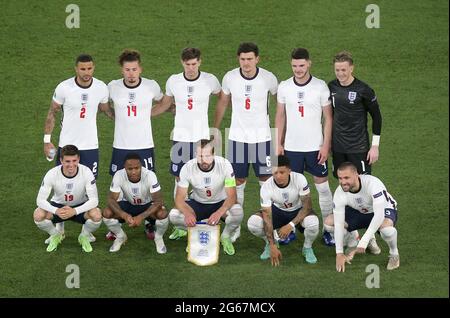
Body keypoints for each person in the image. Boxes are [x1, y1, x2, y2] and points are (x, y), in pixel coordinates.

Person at [151, 47, 221, 240]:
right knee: (179, 178)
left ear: (200, 62)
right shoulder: (174, 81)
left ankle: (208, 214)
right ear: (182, 63)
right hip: (180, 137)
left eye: (194, 64)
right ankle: (181, 222)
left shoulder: (210, 80)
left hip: (202, 139)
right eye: (187, 64)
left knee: (205, 175)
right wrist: (144, 114)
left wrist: (215, 125)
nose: (191, 68)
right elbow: (165, 104)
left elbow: (223, 97)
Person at [43, 53, 112, 240]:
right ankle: (59, 228)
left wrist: (132, 118)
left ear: (94, 68)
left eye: (89, 68)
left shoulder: (100, 87)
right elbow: (52, 111)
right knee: (60, 185)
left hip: (90, 145)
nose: (86, 72)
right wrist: (47, 140)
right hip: (67, 145)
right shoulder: (64, 87)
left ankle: (85, 231)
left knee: (89, 184)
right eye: (82, 69)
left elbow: (107, 111)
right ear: (76, 69)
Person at [214, 42, 278, 241]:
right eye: (242, 59)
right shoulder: (230, 77)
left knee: (267, 183)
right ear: (238, 59)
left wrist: (279, 132)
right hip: (237, 139)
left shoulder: (269, 78)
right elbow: (223, 102)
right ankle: (236, 226)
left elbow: (280, 104)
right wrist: (215, 129)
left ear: (257, 59)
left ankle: (270, 227)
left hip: (264, 139)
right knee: (237, 183)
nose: (246, 63)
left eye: (250, 59)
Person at [275, 48, 334, 247]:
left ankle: (329, 230)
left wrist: (325, 145)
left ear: (309, 63)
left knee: (323, 188)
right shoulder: (284, 86)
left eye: (301, 65)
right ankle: (289, 228)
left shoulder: (320, 86)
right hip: (292, 148)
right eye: (294, 66)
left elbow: (328, 118)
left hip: (315, 147)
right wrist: (278, 143)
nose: (298, 69)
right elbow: (280, 116)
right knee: (292, 191)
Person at [107, 49, 164, 240]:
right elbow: (103, 104)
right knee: (119, 183)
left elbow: (164, 102)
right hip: (120, 145)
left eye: (134, 69)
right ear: (121, 70)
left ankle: (149, 222)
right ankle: (118, 222)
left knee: (147, 183)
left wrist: (147, 114)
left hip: (144, 144)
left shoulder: (151, 86)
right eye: (127, 70)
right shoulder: (113, 86)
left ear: (140, 69)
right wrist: (113, 115)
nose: (131, 73)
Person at [168, 138, 243, 256]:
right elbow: (179, 198)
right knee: (174, 216)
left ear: (213, 154)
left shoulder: (225, 165)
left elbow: (232, 196)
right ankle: (195, 233)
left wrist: (219, 213)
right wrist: (188, 214)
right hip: (198, 204)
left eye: (207, 156)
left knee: (238, 212)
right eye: (200, 156)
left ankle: (225, 237)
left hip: (220, 202)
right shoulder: (187, 168)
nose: (204, 160)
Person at [323, 162, 399, 271]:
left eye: (346, 178)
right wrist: (339, 253)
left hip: (381, 211)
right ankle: (354, 240)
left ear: (356, 175)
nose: (343, 182)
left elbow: (378, 215)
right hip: (360, 211)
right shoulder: (339, 193)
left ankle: (394, 254)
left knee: (386, 229)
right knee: (329, 223)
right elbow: (339, 224)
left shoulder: (373, 184)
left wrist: (364, 241)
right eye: (340, 178)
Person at [247, 155, 320, 266]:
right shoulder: (266, 186)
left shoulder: (299, 179)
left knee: (313, 223)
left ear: (289, 171)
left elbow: (307, 207)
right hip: (278, 211)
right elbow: (267, 216)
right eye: (275, 173)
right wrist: (272, 245)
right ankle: (269, 243)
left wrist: (290, 225)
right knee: (253, 223)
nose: (278, 176)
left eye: (282, 172)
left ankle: (307, 247)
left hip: (298, 210)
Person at [33, 145, 102, 253]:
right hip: (58, 207)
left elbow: (94, 200)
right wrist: (56, 210)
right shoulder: (52, 174)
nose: (71, 165)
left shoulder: (86, 172)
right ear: (61, 160)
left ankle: (84, 236)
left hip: (79, 207)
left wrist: (74, 211)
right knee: (38, 215)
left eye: (74, 160)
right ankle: (56, 235)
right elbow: (40, 200)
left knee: (96, 215)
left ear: (78, 159)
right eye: (67, 161)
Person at [328, 51, 382, 177]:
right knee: (342, 181)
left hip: (358, 147)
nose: (340, 73)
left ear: (351, 68)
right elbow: (329, 115)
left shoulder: (364, 90)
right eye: (337, 70)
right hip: (338, 147)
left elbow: (377, 117)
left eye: (343, 69)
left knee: (363, 182)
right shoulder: (331, 86)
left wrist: (375, 146)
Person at [102, 153, 169, 253]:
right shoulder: (119, 175)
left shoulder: (149, 175)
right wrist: (123, 215)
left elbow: (159, 201)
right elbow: (111, 199)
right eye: (130, 169)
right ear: (124, 167)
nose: (133, 172)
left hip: (147, 206)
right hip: (128, 205)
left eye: (137, 168)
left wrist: (140, 217)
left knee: (162, 214)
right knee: (107, 213)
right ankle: (121, 236)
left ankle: (158, 238)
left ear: (141, 166)